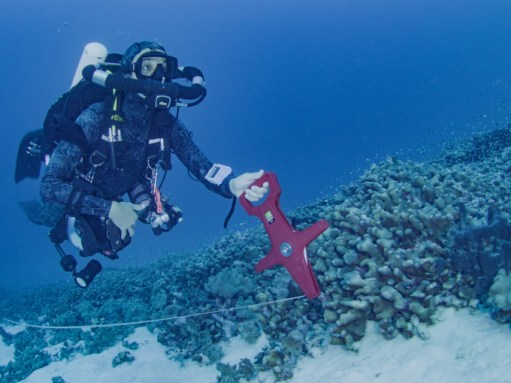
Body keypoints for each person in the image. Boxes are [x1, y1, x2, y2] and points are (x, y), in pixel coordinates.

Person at [38, 41, 269, 287]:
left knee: (120, 236)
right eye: (147, 67)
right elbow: (49, 186)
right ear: (129, 74)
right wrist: (111, 209)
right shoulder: (96, 117)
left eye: (163, 68)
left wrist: (231, 184)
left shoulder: (164, 123)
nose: (158, 77)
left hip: (122, 184)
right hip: (77, 189)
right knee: (75, 230)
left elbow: (200, 164)